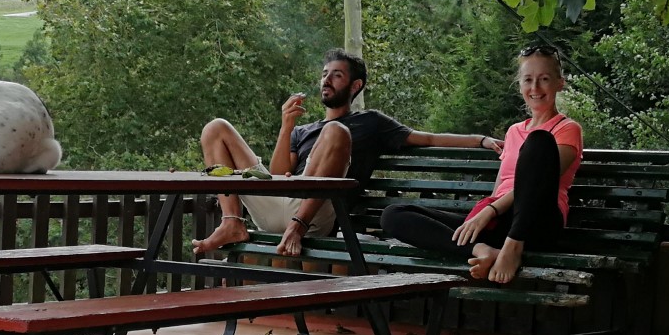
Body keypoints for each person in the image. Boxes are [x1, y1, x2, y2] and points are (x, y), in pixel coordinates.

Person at [192, 49, 502, 257]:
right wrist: (286, 127)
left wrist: (481, 140)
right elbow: (277, 175)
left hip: (318, 213)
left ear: (355, 86)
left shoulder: (371, 123)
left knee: (336, 131)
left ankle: (297, 226)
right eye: (324, 73)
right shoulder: (303, 130)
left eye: (336, 75)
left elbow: (429, 138)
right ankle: (232, 222)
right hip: (280, 202)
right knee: (216, 128)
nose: (326, 79)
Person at [379, 45, 582, 284]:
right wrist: (487, 212)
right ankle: (482, 251)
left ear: (560, 83)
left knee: (539, 141)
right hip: (501, 221)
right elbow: (500, 189)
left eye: (544, 79)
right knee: (393, 214)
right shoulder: (513, 131)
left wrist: (490, 210)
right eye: (528, 80)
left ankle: (512, 248)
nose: (535, 88)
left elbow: (540, 181)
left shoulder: (567, 129)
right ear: (519, 85)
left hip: (537, 222)